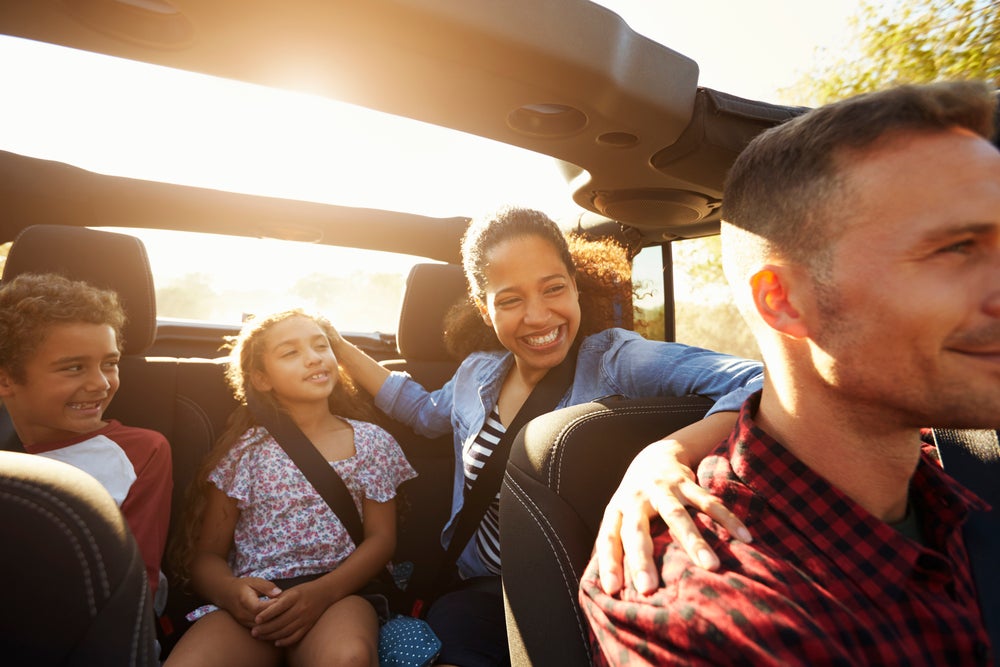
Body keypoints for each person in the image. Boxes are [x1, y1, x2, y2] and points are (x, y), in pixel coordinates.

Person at [579, 80, 999, 665]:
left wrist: (665, 449)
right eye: (955, 248)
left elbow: (741, 377)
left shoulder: (957, 475)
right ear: (783, 302)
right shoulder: (692, 613)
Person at [327, 206, 764, 667]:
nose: (538, 317)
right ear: (484, 308)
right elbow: (421, 411)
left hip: (587, 586)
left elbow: (758, 378)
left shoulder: (616, 359)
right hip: (480, 590)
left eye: (553, 288)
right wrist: (335, 345)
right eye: (510, 300)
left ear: (575, 285)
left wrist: (667, 453)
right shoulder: (478, 373)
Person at [164, 309, 417, 667]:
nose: (314, 357)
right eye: (290, 352)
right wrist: (232, 592)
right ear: (262, 379)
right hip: (258, 600)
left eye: (321, 346)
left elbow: (381, 540)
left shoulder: (371, 443)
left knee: (348, 658)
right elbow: (207, 556)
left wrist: (323, 592)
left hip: (340, 592)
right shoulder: (244, 453)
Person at [0, 272, 173, 602]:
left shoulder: (140, 452)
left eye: (110, 363)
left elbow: (136, 583)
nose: (101, 384)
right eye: (74, 368)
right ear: (6, 380)